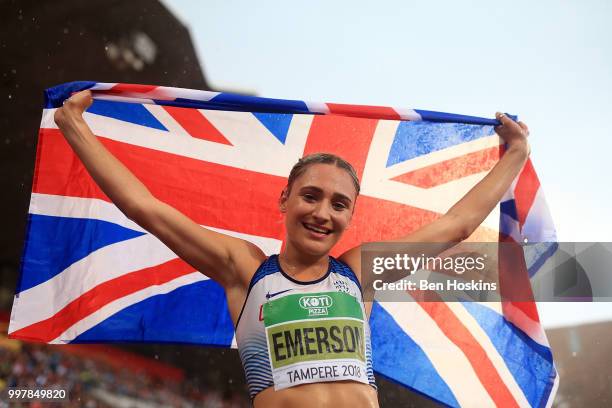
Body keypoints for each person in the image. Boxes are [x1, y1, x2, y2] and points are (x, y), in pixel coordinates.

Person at [54, 90, 530, 408]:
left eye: (339, 204)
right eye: (311, 196)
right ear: (284, 200)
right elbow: (145, 208)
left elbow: (458, 224)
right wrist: (73, 124)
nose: (323, 212)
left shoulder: (360, 271)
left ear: (350, 216)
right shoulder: (244, 269)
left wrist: (516, 155)